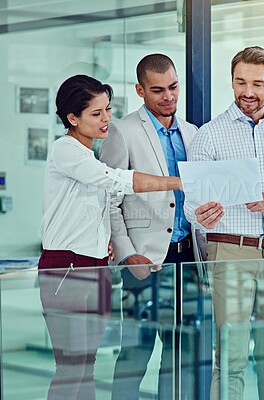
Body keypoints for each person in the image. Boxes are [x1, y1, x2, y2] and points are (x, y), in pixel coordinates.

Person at [38, 74, 183, 400]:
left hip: (97, 266)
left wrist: (103, 238)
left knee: (86, 364)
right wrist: (175, 182)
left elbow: (92, 208)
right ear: (72, 118)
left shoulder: (88, 155)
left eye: (108, 110)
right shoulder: (65, 149)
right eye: (96, 113)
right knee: (71, 366)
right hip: (67, 269)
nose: (107, 119)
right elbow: (115, 180)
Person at [184, 46, 264, 400]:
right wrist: (198, 213)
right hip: (230, 252)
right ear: (231, 81)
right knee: (230, 359)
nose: (248, 91)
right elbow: (190, 203)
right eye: (240, 82)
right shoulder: (209, 135)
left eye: (257, 83)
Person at [100, 54, 203, 400]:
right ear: (140, 91)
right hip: (143, 263)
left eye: (173, 87)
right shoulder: (123, 131)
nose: (168, 97)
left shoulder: (193, 134)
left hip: (187, 259)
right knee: (136, 352)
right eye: (157, 90)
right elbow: (109, 200)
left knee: (182, 354)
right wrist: (128, 255)